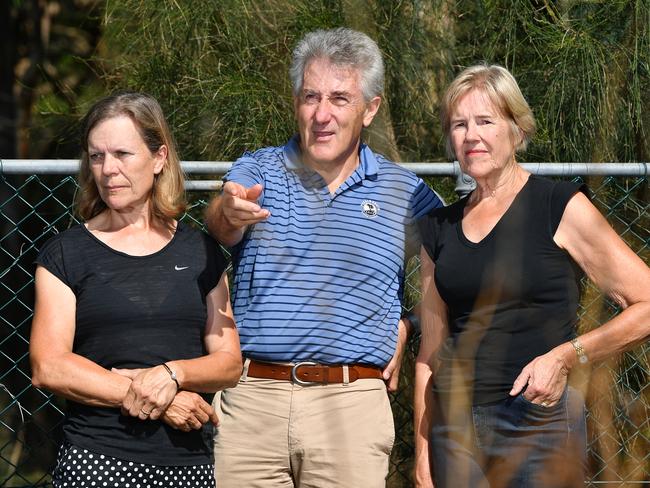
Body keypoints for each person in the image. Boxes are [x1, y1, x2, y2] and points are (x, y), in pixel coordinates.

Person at [205, 27, 444, 487]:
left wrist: (409, 324)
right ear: (296, 101)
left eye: (339, 98)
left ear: (369, 109)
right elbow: (220, 219)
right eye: (310, 96)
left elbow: (457, 276)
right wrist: (230, 210)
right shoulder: (259, 168)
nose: (321, 114)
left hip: (351, 406)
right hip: (252, 401)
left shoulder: (406, 192)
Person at [414, 64, 650, 488]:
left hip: (536, 422)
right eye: (459, 124)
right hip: (454, 432)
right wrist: (424, 452)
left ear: (517, 130)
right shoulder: (437, 227)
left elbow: (646, 304)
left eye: (485, 121)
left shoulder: (558, 205)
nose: (471, 136)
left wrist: (566, 357)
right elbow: (429, 355)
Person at [30, 92, 242, 487]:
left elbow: (229, 362)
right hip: (97, 462)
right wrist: (162, 400)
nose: (108, 169)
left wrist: (172, 373)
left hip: (189, 465)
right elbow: (49, 366)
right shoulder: (65, 254)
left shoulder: (201, 252)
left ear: (159, 157)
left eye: (122, 154)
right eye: (96, 156)